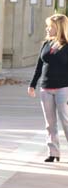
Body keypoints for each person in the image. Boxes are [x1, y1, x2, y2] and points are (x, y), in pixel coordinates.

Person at [28, 14, 68, 162]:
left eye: (50, 26)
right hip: (46, 88)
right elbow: (39, 66)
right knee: (50, 123)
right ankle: (53, 152)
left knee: (65, 120)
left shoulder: (66, 46)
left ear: (59, 28)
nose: (47, 28)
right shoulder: (46, 44)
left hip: (63, 88)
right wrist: (32, 84)